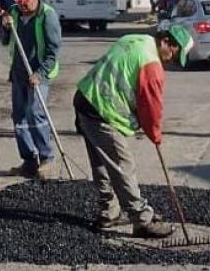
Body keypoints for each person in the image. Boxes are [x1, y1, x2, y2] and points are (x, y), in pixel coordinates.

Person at [73, 26, 194, 238]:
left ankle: (108, 213)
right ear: (166, 41)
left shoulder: (136, 39)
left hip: (85, 99)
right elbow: (151, 107)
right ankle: (142, 220)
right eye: (174, 53)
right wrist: (155, 134)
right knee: (122, 165)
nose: (171, 60)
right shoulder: (151, 65)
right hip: (102, 110)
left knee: (101, 162)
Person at [0, 0, 62, 179]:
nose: (21, 4)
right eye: (19, 0)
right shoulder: (15, 12)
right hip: (18, 72)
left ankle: (46, 158)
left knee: (35, 113)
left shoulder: (48, 16)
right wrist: (6, 28)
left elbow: (53, 52)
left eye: (25, 0)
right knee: (19, 117)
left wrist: (40, 74)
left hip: (38, 73)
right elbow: (6, 41)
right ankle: (29, 160)